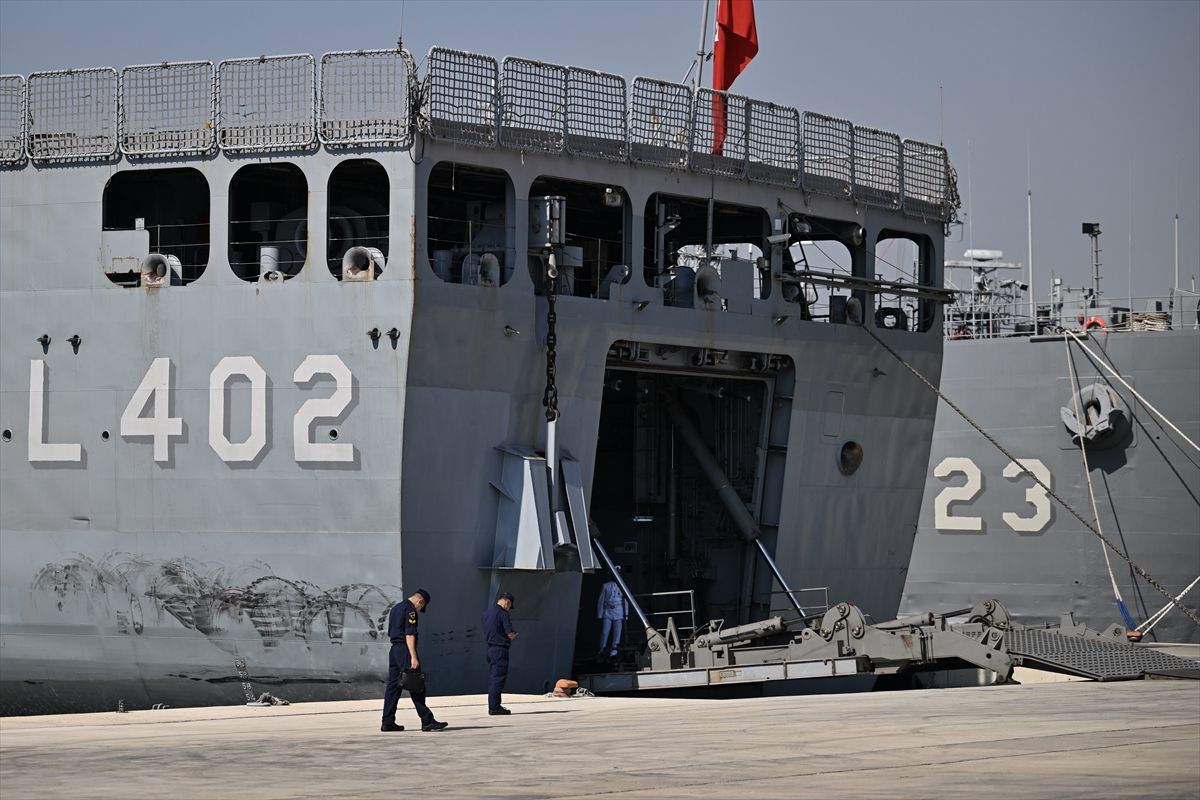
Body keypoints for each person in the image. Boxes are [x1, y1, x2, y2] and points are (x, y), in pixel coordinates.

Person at [381, 589, 448, 732]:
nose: (419, 610)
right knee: (416, 685)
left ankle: (387, 721)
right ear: (420, 601)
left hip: (394, 650)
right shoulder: (410, 611)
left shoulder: (396, 608)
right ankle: (427, 720)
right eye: (421, 607)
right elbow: (409, 634)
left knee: (393, 686)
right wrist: (413, 656)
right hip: (405, 650)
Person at [480, 591, 517, 715]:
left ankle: (493, 704)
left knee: (493, 678)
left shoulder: (486, 614)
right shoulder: (503, 614)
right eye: (509, 605)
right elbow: (509, 632)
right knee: (498, 679)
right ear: (507, 602)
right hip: (500, 650)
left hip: (490, 649)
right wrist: (512, 636)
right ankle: (494, 707)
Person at [596, 567, 628, 658]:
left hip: (618, 611)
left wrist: (626, 615)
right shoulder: (606, 586)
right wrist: (600, 614)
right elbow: (601, 600)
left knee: (617, 633)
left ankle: (614, 651)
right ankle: (602, 649)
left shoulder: (622, 586)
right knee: (604, 632)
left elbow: (625, 601)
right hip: (608, 611)